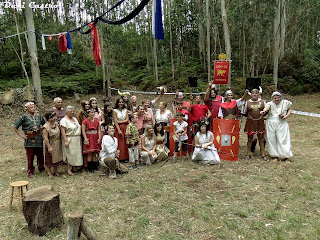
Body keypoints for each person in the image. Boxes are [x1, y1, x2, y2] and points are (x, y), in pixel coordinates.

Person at [12, 102, 45, 177]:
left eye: (34, 107)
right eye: (31, 107)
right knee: (30, 155)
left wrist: (42, 131)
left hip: (39, 138)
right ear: (27, 109)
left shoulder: (38, 115)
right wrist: (21, 135)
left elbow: (44, 124)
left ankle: (41, 168)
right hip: (29, 139)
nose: (33, 108)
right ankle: (30, 170)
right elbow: (14, 126)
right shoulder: (23, 116)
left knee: (40, 155)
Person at [260, 92, 293, 162]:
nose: (276, 99)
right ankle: (274, 155)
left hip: (281, 122)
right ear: (272, 98)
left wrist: (286, 116)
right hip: (271, 122)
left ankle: (286, 156)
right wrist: (263, 111)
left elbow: (290, 109)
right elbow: (266, 108)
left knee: (283, 138)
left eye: (278, 97)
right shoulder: (270, 103)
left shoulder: (285, 102)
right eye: (275, 98)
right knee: (271, 138)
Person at [242, 88, 267, 160]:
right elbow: (244, 112)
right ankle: (248, 153)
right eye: (253, 93)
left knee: (261, 138)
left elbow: (266, 111)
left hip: (260, 121)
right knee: (250, 138)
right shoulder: (247, 103)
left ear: (258, 94)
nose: (254, 94)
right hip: (251, 122)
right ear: (251, 95)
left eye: (256, 93)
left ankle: (263, 154)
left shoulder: (263, 102)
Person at [60, 106, 83, 176]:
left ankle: (74, 167)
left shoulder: (75, 119)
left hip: (76, 138)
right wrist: (65, 141)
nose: (72, 113)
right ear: (67, 112)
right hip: (69, 138)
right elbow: (63, 131)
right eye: (70, 112)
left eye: (73, 111)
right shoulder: (64, 120)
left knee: (75, 154)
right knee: (69, 154)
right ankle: (68, 169)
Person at [42, 111, 63, 178]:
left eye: (55, 116)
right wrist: (49, 147)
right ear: (49, 118)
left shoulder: (56, 124)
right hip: (50, 143)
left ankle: (56, 171)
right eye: (53, 117)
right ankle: (49, 172)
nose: (55, 118)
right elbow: (45, 138)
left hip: (57, 142)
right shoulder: (46, 127)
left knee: (57, 156)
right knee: (49, 157)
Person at [82, 108, 102, 173]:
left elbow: (99, 129)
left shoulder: (96, 121)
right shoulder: (85, 121)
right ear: (88, 114)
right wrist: (85, 139)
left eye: (93, 112)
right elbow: (83, 131)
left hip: (95, 136)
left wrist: (99, 138)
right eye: (91, 112)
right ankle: (90, 168)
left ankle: (95, 166)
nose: (92, 114)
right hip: (89, 137)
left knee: (95, 152)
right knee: (90, 153)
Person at [113, 97, 129, 161]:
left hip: (125, 126)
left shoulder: (125, 110)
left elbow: (127, 119)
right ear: (117, 103)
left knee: (126, 142)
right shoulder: (114, 110)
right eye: (120, 102)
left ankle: (126, 157)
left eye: (122, 102)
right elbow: (115, 120)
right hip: (118, 128)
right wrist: (119, 130)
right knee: (120, 142)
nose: (121, 103)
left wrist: (120, 122)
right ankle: (120, 157)